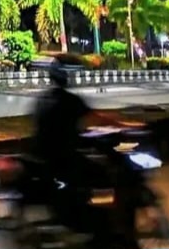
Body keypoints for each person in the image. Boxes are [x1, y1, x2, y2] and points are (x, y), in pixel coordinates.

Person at [31, 61, 145, 248]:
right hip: (65, 158)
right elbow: (96, 118)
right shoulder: (70, 100)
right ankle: (103, 226)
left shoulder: (43, 100)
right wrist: (126, 125)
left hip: (46, 157)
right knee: (103, 175)